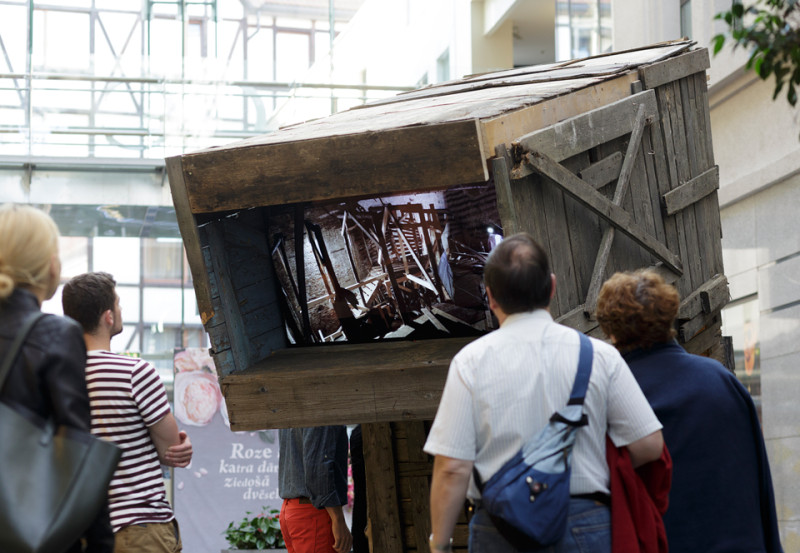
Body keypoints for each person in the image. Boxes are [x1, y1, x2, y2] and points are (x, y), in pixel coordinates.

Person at [424, 233, 665, 553]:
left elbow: (452, 467)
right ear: (551, 287)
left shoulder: (469, 363)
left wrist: (439, 544)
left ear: (490, 296)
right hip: (585, 523)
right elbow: (649, 445)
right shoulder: (599, 356)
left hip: (499, 529)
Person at [596, 270, 783, 553]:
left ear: (611, 331)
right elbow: (761, 482)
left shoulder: (615, 394)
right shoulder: (721, 380)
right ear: (669, 315)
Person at [0, 204, 114, 553]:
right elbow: (75, 452)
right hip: (25, 530)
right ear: (49, 266)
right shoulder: (54, 334)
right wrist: (100, 543)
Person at [62, 271, 193, 553]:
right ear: (108, 316)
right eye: (118, 304)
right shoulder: (134, 373)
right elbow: (172, 450)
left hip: (79, 532)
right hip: (138, 528)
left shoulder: (57, 377)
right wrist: (183, 445)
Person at [278, 425, 353, 553]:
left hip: (293, 507)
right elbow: (318, 467)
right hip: (314, 511)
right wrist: (338, 519)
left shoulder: (289, 406)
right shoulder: (318, 408)